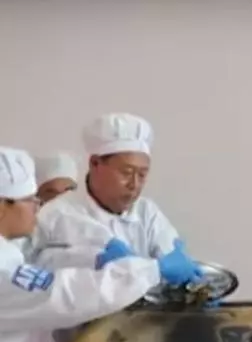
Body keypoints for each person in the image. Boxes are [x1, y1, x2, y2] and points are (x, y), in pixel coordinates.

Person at [0, 146, 203, 342]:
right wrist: (151, 269)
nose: (37, 205)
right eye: (29, 199)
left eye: (142, 173)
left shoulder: (147, 212)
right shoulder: (14, 261)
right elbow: (63, 293)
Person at [31, 112, 179, 270]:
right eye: (126, 172)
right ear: (95, 164)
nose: (134, 184)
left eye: (142, 174)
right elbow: (24, 274)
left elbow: (171, 257)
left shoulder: (147, 213)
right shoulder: (54, 216)